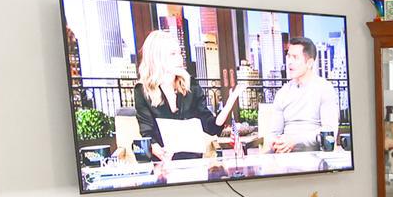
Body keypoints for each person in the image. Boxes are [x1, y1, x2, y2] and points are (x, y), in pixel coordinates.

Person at [132, 29, 242, 160]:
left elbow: (210, 127)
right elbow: (147, 133)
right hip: (163, 163)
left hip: (192, 160)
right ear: (156, 58)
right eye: (172, 54)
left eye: (179, 53)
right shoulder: (142, 91)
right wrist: (157, 150)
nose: (179, 58)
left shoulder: (191, 86)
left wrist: (229, 103)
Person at [266, 35, 340, 152]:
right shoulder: (282, 92)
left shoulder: (325, 89)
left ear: (309, 63)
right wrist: (275, 142)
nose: (289, 62)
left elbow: (330, 132)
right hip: (284, 157)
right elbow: (273, 133)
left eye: (295, 57)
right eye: (288, 56)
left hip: (316, 157)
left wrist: (295, 141)